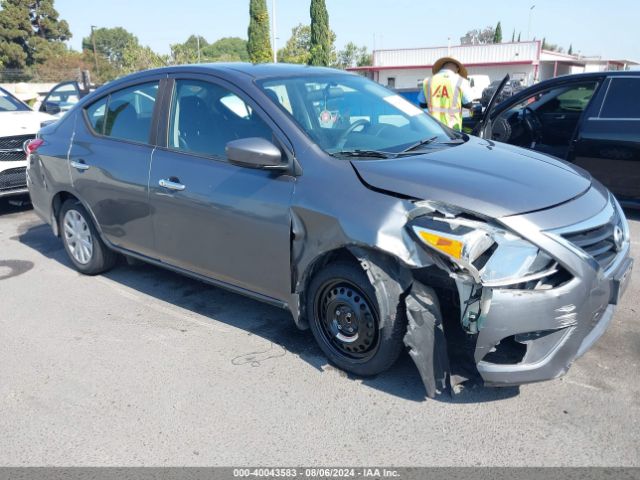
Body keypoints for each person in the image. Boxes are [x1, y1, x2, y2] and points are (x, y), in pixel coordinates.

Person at [418, 57, 473, 131]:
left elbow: (422, 104)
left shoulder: (428, 81)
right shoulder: (460, 81)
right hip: (452, 128)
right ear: (457, 68)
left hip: (432, 126)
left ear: (442, 67)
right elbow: (468, 104)